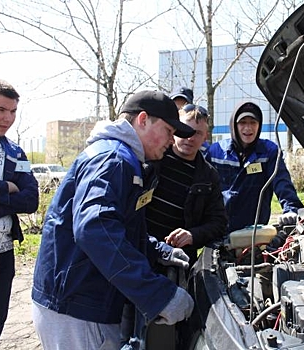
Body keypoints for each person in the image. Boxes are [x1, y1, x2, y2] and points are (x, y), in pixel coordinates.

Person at [31, 90, 196, 350]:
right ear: (143, 120)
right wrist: (158, 295)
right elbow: (94, 229)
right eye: (167, 130)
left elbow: (117, 227)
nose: (171, 140)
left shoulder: (123, 157)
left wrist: (156, 250)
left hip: (83, 300)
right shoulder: (113, 159)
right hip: (77, 307)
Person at [0, 77, 39, 350]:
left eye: (13, 111)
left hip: (2, 255)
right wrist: (6, 188)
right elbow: (17, 194)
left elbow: (31, 199)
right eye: (0, 110)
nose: (8, 118)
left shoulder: (15, 151)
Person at [146, 104, 227, 268]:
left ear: (206, 137)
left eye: (197, 133)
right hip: (142, 250)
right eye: (185, 130)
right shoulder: (153, 159)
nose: (190, 138)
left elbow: (218, 222)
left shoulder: (209, 176)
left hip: (179, 261)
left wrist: (193, 235)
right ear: (174, 130)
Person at [206, 101, 304, 233]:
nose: (248, 128)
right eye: (243, 123)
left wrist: (291, 209)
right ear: (234, 125)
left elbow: (282, 182)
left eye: (253, 122)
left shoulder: (269, 152)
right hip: (219, 230)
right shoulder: (216, 151)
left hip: (253, 232)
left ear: (259, 125)